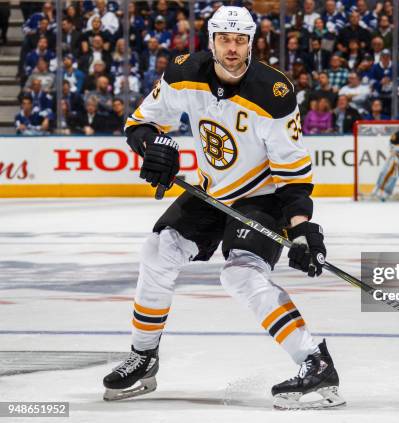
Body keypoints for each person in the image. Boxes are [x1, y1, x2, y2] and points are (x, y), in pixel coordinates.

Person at [102, 6, 345, 410]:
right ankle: (144, 356)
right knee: (158, 251)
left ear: (252, 42)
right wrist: (150, 148)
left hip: (263, 195)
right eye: (225, 40)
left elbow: (294, 176)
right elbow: (141, 123)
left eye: (241, 40)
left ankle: (315, 362)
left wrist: (302, 228)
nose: (232, 49)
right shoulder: (183, 72)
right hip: (212, 190)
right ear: (210, 40)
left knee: (241, 275)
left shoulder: (274, 93)